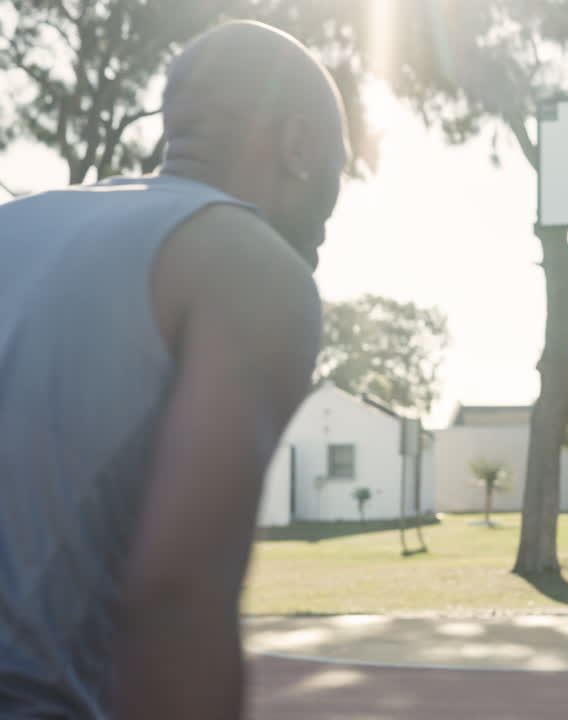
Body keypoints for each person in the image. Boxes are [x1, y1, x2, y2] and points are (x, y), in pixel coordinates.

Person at [0, 20, 349, 719]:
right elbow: (175, 596)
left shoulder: (16, 224)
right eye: (340, 167)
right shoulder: (248, 264)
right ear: (301, 146)